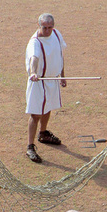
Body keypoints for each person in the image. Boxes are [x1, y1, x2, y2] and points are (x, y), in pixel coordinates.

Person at [25, 13, 67, 163]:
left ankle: (43, 133)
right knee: (35, 114)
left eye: (50, 27)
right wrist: (33, 73)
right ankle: (30, 147)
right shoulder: (35, 42)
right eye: (45, 27)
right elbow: (34, 59)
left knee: (48, 107)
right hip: (38, 82)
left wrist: (62, 75)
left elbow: (60, 55)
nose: (48, 30)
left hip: (52, 80)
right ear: (39, 26)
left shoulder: (56, 34)